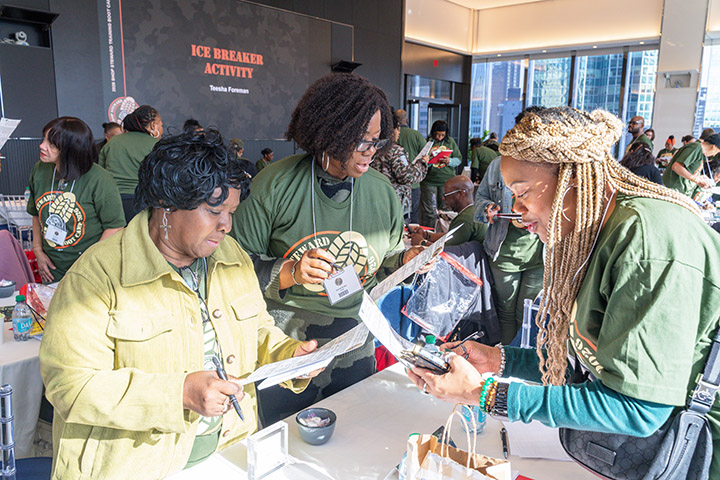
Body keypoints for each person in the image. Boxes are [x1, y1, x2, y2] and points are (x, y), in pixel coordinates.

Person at [407, 106, 720, 479]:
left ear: (572, 179)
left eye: (522, 193)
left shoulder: (648, 243)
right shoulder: (593, 234)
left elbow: (638, 409)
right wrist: (500, 360)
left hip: (694, 455)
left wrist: (484, 394)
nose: (517, 211)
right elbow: (591, 363)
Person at [39, 129, 320, 479]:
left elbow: (257, 328)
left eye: (231, 212)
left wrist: (287, 355)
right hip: (137, 469)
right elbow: (69, 386)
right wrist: (179, 394)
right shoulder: (97, 276)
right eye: (214, 211)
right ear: (167, 204)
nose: (226, 225)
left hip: (228, 453)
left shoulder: (230, 256)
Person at [230, 73, 431, 425]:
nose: (371, 151)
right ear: (331, 132)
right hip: (289, 342)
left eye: (377, 141)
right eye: (362, 141)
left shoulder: (382, 192)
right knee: (286, 437)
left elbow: (384, 264)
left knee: (355, 434)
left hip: (355, 342)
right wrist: (291, 272)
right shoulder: (274, 186)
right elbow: (233, 270)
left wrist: (406, 260)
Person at [27, 117, 125, 284]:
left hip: (90, 270)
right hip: (51, 268)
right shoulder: (40, 169)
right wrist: (38, 251)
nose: (42, 146)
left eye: (52, 144)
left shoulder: (100, 179)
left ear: (71, 150)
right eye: (44, 139)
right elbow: (36, 213)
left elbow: (115, 227)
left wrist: (88, 264)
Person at [474, 155, 544, 344]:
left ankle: (523, 355)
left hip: (540, 255)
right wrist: (487, 208)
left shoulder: (548, 164)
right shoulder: (498, 165)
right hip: (503, 252)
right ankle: (506, 354)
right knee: (505, 312)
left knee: (529, 314)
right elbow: (480, 198)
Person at [99, 105, 162, 223]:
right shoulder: (157, 145)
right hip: (143, 204)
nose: (162, 129)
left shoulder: (112, 142)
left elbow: (101, 173)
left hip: (112, 202)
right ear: (153, 125)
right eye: (161, 125)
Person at [370, 110, 429, 219]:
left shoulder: (372, 147)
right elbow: (407, 176)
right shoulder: (395, 150)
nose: (399, 132)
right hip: (394, 202)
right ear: (393, 130)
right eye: (398, 129)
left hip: (375, 199)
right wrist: (422, 163)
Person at [410, 175, 487, 247]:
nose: (443, 198)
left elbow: (445, 251)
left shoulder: (465, 219)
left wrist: (422, 242)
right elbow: (451, 236)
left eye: (447, 195)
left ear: (461, 194)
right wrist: (426, 235)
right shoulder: (473, 211)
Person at [420, 120, 462, 227]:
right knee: (429, 210)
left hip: (447, 181)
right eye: (437, 134)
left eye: (442, 135)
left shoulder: (450, 142)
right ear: (433, 132)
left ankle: (444, 231)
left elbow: (459, 159)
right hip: (429, 181)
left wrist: (449, 161)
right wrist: (430, 161)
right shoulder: (427, 142)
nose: (439, 137)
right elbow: (421, 161)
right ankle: (428, 231)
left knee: (446, 210)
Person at [395, 108, 428, 224]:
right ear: (407, 121)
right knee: (412, 214)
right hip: (413, 184)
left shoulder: (386, 140)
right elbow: (426, 154)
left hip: (392, 186)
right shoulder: (416, 135)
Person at [663, 130, 714, 197]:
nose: (714, 155)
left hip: (682, 190)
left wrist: (698, 177)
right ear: (714, 147)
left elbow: (689, 169)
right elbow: (676, 167)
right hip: (675, 188)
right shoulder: (696, 147)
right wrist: (696, 179)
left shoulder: (700, 150)